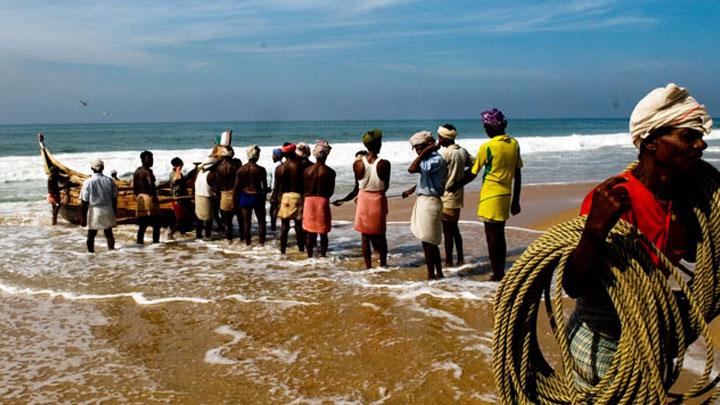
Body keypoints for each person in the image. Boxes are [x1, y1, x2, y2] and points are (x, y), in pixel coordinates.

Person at [562, 83, 712, 387]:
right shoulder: (614, 199)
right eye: (688, 136)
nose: (700, 146)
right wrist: (594, 231)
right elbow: (575, 285)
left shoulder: (686, 200)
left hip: (650, 336)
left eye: (700, 136)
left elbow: (702, 257)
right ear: (652, 142)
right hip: (602, 340)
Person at [464, 108, 522, 281]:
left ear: (491, 127)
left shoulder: (487, 147)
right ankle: (500, 271)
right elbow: (517, 173)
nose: (485, 129)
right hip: (506, 195)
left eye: (485, 125)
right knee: (500, 235)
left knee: (492, 237)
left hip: (490, 196)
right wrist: (516, 200)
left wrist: (452, 185)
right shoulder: (513, 143)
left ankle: (497, 274)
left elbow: (473, 173)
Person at [403, 131, 447, 280]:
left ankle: (431, 276)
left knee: (428, 242)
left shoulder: (435, 160)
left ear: (430, 145)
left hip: (430, 202)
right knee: (430, 241)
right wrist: (411, 190)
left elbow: (412, 169)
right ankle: (438, 273)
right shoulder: (429, 159)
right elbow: (425, 180)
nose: (418, 151)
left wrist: (427, 151)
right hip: (425, 201)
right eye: (416, 148)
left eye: (421, 147)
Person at [437, 124, 474, 266]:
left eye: (440, 137)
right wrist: (462, 179)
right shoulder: (462, 151)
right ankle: (459, 258)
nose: (438, 140)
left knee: (447, 232)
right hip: (458, 196)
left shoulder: (445, 154)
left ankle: (448, 262)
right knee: (454, 229)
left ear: (445, 138)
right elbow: (475, 164)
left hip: (446, 196)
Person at [354, 129, 391, 269]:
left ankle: (368, 266)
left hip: (363, 199)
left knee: (365, 236)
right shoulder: (384, 163)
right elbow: (386, 186)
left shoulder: (357, 164)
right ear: (378, 144)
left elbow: (358, 184)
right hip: (378, 198)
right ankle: (383, 264)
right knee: (381, 234)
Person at [302, 140, 336, 258]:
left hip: (309, 201)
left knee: (310, 233)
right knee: (323, 233)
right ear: (326, 154)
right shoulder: (330, 172)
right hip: (322, 201)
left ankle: (310, 257)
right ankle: (322, 256)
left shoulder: (307, 171)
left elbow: (304, 189)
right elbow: (331, 191)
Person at [80, 159, 118, 253]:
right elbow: (114, 198)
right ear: (103, 168)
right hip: (107, 209)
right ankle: (111, 253)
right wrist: (114, 211)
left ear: (92, 168)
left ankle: (91, 254)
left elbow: (84, 202)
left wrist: (83, 217)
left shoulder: (88, 182)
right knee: (109, 234)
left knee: (91, 235)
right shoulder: (110, 181)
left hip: (94, 210)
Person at [235, 145, 269, 245]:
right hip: (257, 196)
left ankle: (247, 243)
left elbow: (236, 187)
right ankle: (261, 243)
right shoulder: (261, 169)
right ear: (257, 156)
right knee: (261, 222)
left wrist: (235, 201)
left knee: (246, 222)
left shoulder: (241, 169)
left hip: (245, 195)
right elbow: (265, 187)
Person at [275, 143, 305, 254]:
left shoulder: (279, 168)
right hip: (297, 196)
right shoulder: (299, 166)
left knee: (284, 226)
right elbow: (303, 184)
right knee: (298, 226)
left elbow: (277, 188)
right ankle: (301, 249)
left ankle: (282, 251)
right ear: (293, 152)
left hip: (284, 197)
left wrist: (275, 205)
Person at [133, 150, 161, 244]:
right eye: (150, 159)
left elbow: (135, 188)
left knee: (142, 225)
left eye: (152, 159)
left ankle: (140, 244)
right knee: (156, 224)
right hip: (149, 198)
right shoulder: (148, 171)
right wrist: (155, 197)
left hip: (140, 198)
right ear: (144, 160)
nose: (152, 161)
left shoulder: (137, 171)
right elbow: (150, 185)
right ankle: (156, 244)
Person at [168, 157, 196, 240]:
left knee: (188, 213)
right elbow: (178, 180)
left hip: (183, 198)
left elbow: (183, 180)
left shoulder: (178, 174)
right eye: (181, 165)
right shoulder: (174, 174)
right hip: (178, 199)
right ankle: (171, 233)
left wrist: (193, 171)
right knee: (181, 219)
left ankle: (182, 233)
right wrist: (178, 170)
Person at [214, 145, 239, 240]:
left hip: (224, 195)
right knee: (239, 219)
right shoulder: (236, 167)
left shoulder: (219, 168)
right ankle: (242, 240)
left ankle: (229, 241)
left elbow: (217, 186)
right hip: (235, 194)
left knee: (227, 221)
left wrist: (218, 196)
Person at [195, 157, 217, 240]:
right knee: (208, 219)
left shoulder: (199, 172)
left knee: (199, 218)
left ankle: (198, 235)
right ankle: (207, 236)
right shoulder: (211, 174)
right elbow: (215, 189)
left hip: (198, 196)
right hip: (206, 197)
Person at [269, 147, 284, 232]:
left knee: (273, 210)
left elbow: (274, 181)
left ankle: (273, 227)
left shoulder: (275, 166)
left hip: (276, 190)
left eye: (273, 155)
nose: (272, 156)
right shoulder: (282, 164)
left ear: (276, 156)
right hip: (282, 191)